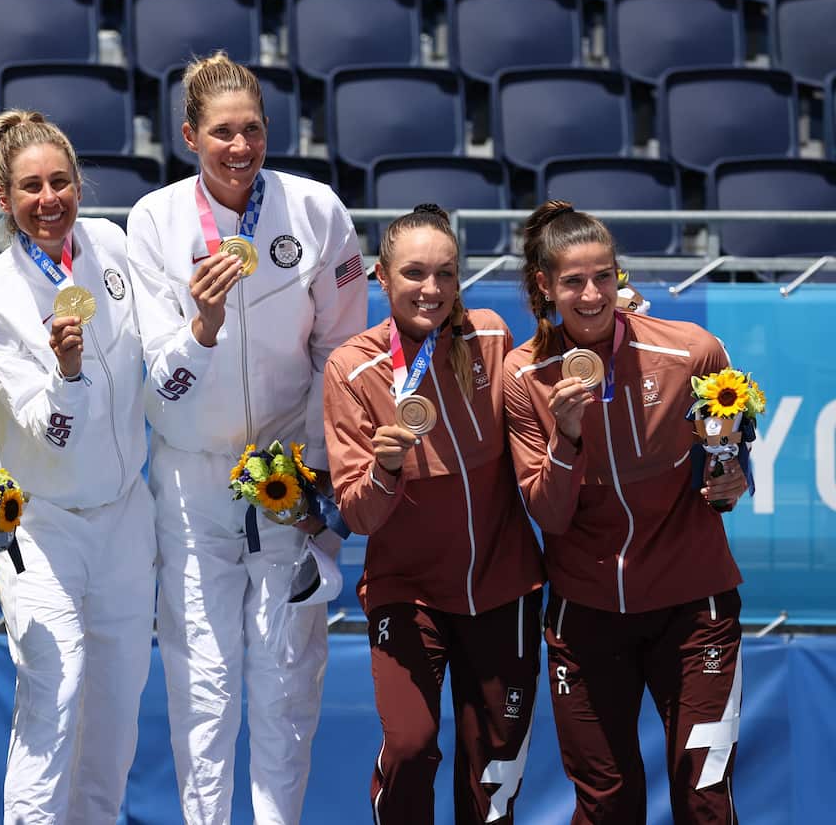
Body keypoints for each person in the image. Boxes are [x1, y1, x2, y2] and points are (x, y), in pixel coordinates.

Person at [125, 52, 368, 824]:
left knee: (286, 676)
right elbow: (161, 378)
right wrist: (202, 327)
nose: (240, 147)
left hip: (290, 473)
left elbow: (343, 353)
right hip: (194, 478)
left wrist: (322, 475)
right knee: (205, 678)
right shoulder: (156, 221)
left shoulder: (318, 209)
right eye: (222, 132)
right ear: (190, 136)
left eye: (253, 129)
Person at [503, 200, 749, 823]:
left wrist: (730, 479)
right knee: (607, 804)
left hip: (695, 610)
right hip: (586, 617)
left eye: (604, 277)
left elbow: (726, 459)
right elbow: (549, 515)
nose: (592, 295)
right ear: (545, 286)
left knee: (703, 796)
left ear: (620, 277)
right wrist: (567, 435)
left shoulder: (691, 352)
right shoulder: (523, 374)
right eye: (573, 281)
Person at [0, 109, 157, 824]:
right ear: (4, 200)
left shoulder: (111, 245)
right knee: (55, 692)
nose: (50, 200)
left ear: (79, 183)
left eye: (61, 182)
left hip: (126, 517)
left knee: (115, 712)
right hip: (41, 526)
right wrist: (67, 371)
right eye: (30, 187)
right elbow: (49, 432)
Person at [323, 205, 545, 824]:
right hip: (409, 593)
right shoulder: (352, 368)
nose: (432, 289)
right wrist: (386, 470)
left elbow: (548, 383)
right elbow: (359, 515)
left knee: (493, 773)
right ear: (381, 277)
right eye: (415, 273)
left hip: (504, 588)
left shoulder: (493, 336)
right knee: (411, 748)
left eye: (446, 274)